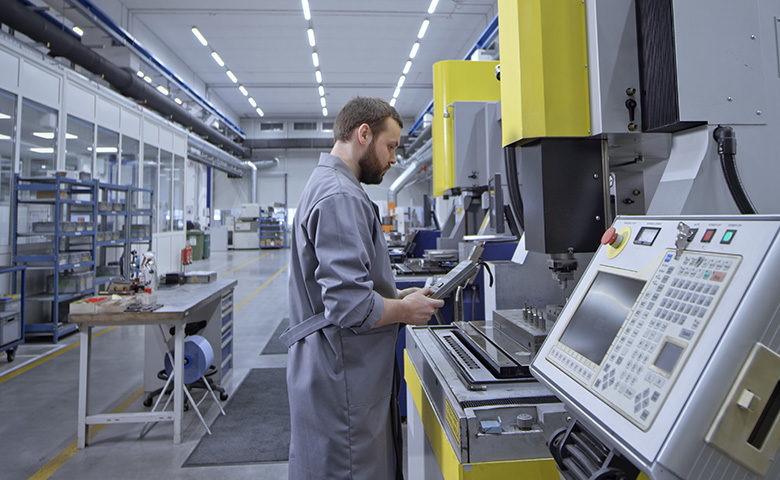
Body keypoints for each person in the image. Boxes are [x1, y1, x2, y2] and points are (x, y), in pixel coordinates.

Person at [282, 97, 444, 480]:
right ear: (363, 134)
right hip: (343, 378)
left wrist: (394, 298)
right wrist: (405, 311)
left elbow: (345, 291)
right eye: (390, 147)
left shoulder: (330, 184)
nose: (392, 159)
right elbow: (350, 307)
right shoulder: (339, 195)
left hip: (337, 372)